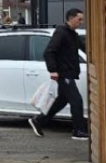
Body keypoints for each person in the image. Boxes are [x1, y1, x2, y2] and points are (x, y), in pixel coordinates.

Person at [30, 8, 89, 140]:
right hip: (63, 73)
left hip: (69, 72)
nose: (81, 22)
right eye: (79, 19)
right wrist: (53, 70)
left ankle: (39, 121)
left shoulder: (73, 34)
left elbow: (85, 48)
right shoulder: (61, 32)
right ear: (71, 18)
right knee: (76, 100)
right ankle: (78, 131)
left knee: (62, 100)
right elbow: (49, 52)